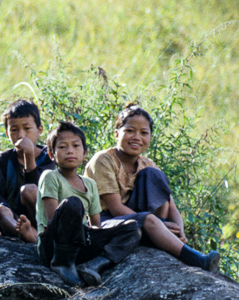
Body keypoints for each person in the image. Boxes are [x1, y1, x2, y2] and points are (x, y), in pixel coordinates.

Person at [84, 103, 220, 272]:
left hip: (142, 221)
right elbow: (116, 209)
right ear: (116, 133)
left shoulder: (147, 163)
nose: (136, 137)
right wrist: (154, 223)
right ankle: (198, 261)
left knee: (153, 175)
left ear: (150, 137)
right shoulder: (103, 160)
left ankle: (160, 235)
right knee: (149, 219)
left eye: (144, 133)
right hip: (107, 223)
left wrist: (180, 233)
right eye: (130, 131)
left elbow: (171, 207)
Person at [36, 121, 142, 286]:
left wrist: (97, 238)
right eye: (62, 147)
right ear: (51, 154)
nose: (70, 151)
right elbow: (52, 221)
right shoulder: (50, 177)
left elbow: (95, 225)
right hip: (55, 245)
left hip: (79, 244)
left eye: (76, 146)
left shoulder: (89, 184)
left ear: (85, 153)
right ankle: (62, 263)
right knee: (73, 203)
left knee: (132, 227)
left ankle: (95, 264)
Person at [0, 99, 55, 243]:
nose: (21, 135)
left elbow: (44, 190)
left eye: (27, 129)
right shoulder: (3, 160)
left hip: (43, 214)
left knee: (30, 190)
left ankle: (43, 235)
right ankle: (30, 236)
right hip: (16, 218)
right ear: (7, 133)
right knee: (0, 210)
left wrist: (29, 157)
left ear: (39, 129)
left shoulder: (49, 157)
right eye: (14, 130)